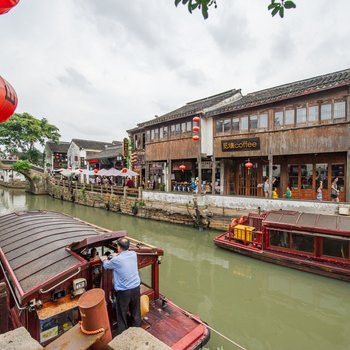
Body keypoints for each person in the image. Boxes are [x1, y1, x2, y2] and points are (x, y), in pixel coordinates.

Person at [101, 238, 141, 335]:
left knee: (121, 315)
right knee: (135, 312)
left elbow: (106, 266)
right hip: (136, 288)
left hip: (124, 292)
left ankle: (123, 335)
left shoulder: (116, 260)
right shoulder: (133, 254)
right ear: (128, 247)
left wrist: (104, 259)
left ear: (119, 247)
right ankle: (137, 331)